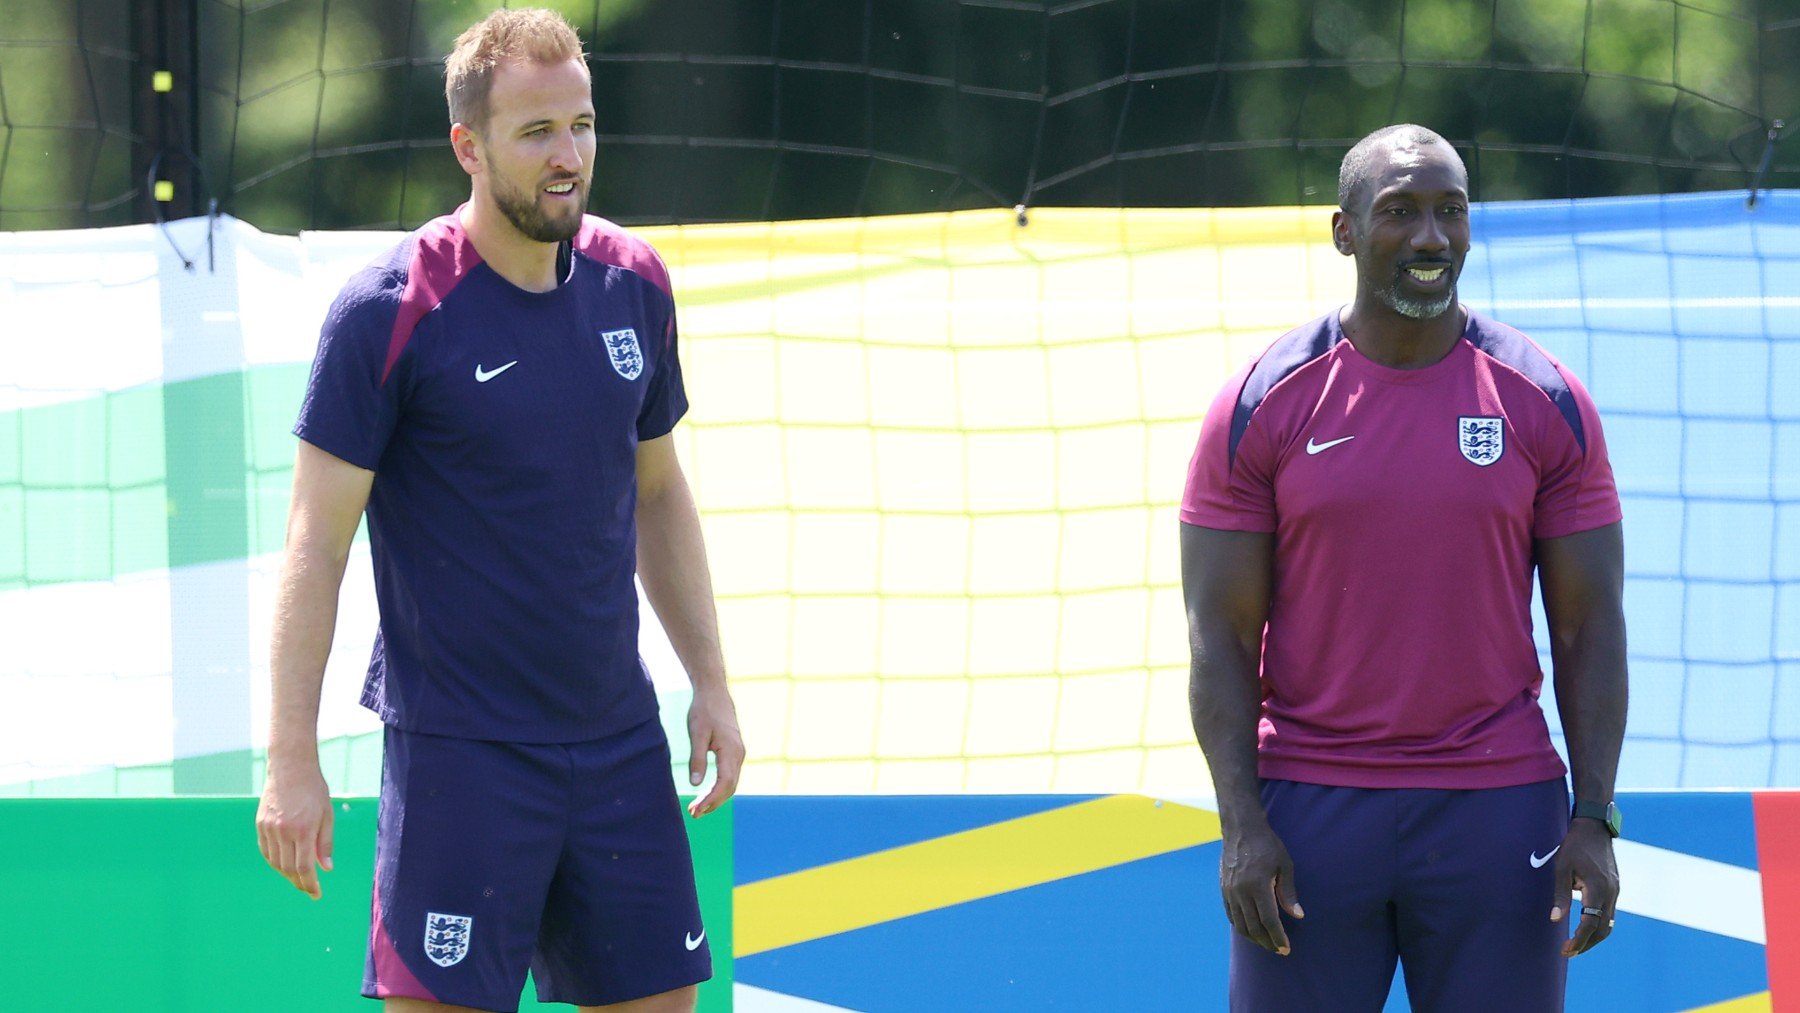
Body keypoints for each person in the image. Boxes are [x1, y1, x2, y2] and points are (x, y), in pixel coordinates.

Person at [254, 9, 744, 1012]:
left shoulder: (635, 285)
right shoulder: (388, 311)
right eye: (536, 133)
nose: (569, 156)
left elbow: (657, 491)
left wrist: (711, 682)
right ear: (467, 147)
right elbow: (316, 545)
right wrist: (291, 758)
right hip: (459, 759)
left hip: (616, 745)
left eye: (583, 125)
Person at [1181, 124, 1628, 1012]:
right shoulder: (1260, 402)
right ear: (1344, 231)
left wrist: (1595, 815)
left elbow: (1590, 623)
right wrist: (1242, 825)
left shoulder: (1545, 400)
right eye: (1400, 213)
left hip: (1499, 816)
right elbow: (1220, 634)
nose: (1431, 237)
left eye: (1450, 212)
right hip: (1309, 814)